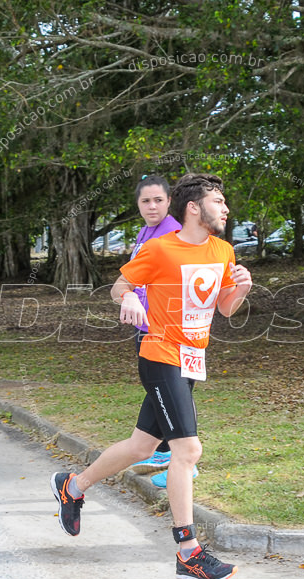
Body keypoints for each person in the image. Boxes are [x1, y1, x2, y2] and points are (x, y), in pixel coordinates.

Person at [51, 173, 252, 579]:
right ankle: (188, 552)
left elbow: (226, 309)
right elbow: (120, 286)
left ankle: (73, 485)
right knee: (187, 451)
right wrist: (128, 298)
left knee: (142, 445)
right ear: (194, 208)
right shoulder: (161, 249)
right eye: (219, 201)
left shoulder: (224, 250)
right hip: (161, 355)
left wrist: (242, 289)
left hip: (192, 359)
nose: (226, 208)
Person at [125, 175, 183, 484]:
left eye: (158, 200)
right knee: (156, 391)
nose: (152, 206)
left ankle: (172, 453)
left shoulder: (172, 233)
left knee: (167, 391)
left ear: (169, 201)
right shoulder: (146, 232)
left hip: (163, 328)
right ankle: (165, 452)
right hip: (144, 324)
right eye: (146, 201)